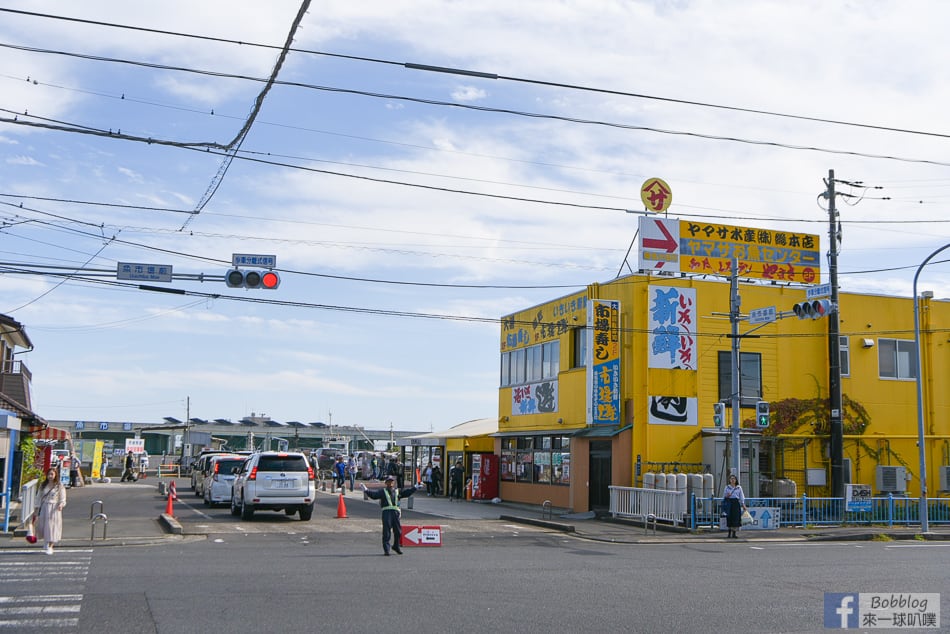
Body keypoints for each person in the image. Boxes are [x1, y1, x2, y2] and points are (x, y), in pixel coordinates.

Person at [360, 476, 420, 556]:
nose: (390, 483)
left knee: (398, 531)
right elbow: (374, 495)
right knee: (386, 532)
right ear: (386, 483)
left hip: (395, 512)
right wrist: (366, 490)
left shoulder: (397, 491)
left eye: (392, 481)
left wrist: (415, 487)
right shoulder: (383, 491)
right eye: (388, 481)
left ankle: (396, 546)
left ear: (393, 482)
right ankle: (386, 549)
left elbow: (407, 493)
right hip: (386, 512)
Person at [34, 467, 67, 555]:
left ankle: (51, 546)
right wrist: (36, 508)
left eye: (52, 474)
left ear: (55, 475)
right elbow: (38, 497)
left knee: (52, 527)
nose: (50, 476)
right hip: (45, 506)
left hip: (54, 508)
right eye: (49, 474)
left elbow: (62, 498)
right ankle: (46, 542)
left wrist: (61, 505)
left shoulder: (59, 485)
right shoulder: (43, 485)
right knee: (44, 525)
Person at [722, 473, 747, 538]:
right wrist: (727, 495)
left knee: (736, 518)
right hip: (729, 503)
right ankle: (729, 533)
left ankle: (734, 533)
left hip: (736, 503)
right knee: (729, 517)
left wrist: (743, 504)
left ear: (736, 480)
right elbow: (724, 496)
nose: (733, 480)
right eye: (731, 479)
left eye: (734, 479)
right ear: (729, 480)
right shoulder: (727, 487)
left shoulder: (739, 487)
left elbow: (741, 496)